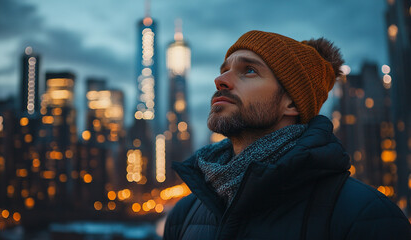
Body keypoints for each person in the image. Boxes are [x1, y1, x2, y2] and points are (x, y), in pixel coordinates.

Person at [163, 30, 411, 240]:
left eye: (249, 70)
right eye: (224, 70)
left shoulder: (364, 216)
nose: (220, 80)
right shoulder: (184, 214)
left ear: (291, 104)